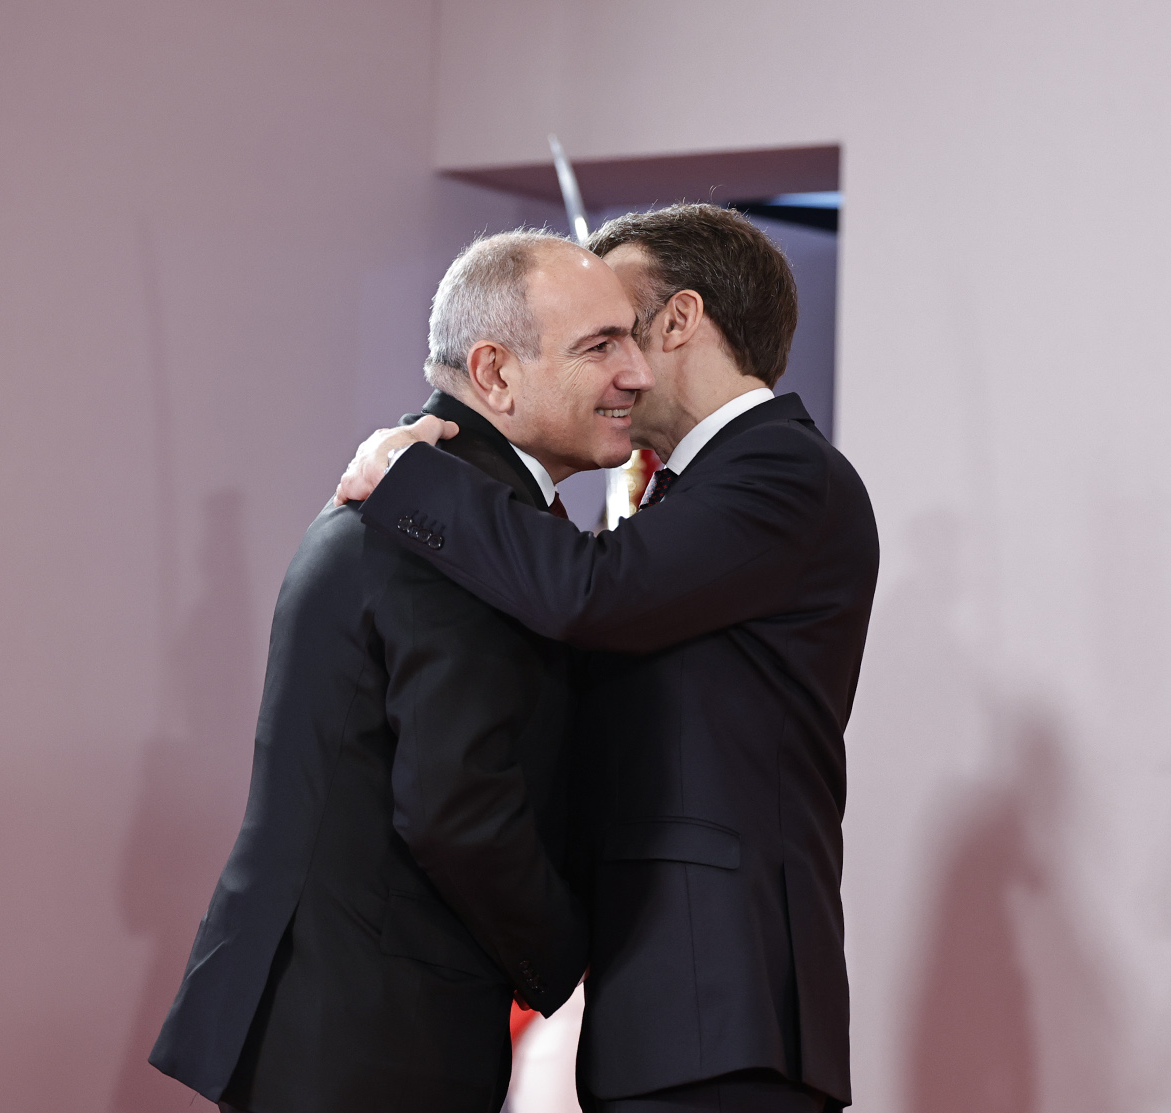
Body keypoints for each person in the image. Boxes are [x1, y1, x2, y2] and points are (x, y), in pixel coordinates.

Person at [336, 204, 879, 1112]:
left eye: (623, 328)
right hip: (677, 1002)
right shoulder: (699, 488)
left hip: (722, 997)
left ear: (681, 319)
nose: (618, 367)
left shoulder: (782, 468)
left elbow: (589, 593)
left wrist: (416, 477)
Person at [149, 230, 653, 1113]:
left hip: (338, 1024)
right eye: (601, 345)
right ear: (495, 372)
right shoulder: (458, 532)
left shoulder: (426, 498)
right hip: (368, 1041)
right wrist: (573, 955)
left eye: (635, 339)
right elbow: (457, 808)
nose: (637, 373)